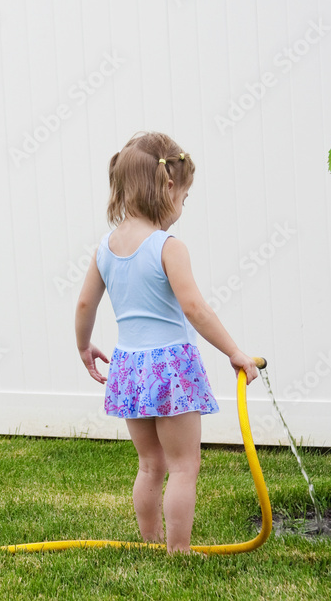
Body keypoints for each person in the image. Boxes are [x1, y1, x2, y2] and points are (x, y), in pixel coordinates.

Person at [74, 131, 259, 554]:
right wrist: (234, 350)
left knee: (149, 464)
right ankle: (178, 551)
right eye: (186, 195)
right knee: (183, 466)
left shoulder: (106, 247)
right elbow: (195, 308)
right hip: (169, 367)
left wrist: (84, 346)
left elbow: (86, 303)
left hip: (129, 367)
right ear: (169, 187)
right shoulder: (167, 247)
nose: (184, 206)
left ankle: (150, 543)